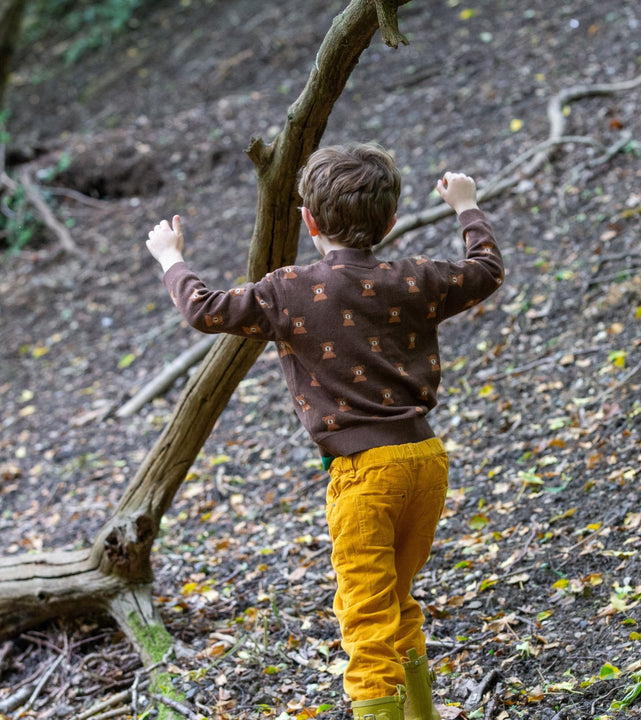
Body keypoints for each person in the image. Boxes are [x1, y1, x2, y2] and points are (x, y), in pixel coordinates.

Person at [146, 143, 504, 720]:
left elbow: (204, 310)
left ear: (308, 220)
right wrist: (466, 207)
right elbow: (486, 270)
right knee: (396, 600)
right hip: (426, 459)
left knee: (366, 619)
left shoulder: (290, 289)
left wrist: (170, 259)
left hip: (364, 477)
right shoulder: (414, 277)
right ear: (389, 222)